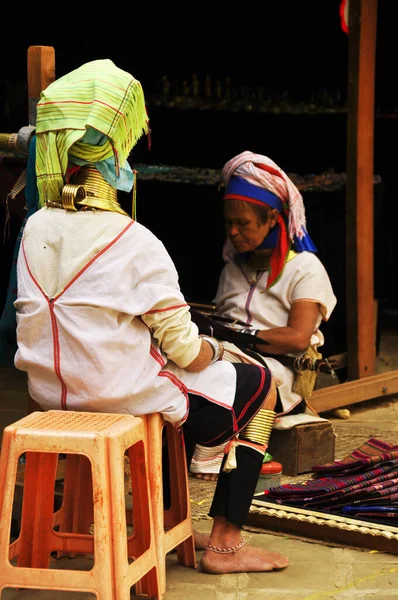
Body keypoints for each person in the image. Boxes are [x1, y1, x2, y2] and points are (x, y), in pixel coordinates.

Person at [13, 60, 288, 574]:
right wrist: (216, 350)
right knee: (260, 383)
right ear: (117, 155)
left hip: (48, 394)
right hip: (119, 396)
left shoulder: (35, 228)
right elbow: (184, 349)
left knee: (176, 377)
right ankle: (227, 543)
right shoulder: (134, 241)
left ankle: (163, 519)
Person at [190, 150, 337, 481]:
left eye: (243, 223)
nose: (234, 232)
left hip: (279, 377)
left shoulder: (305, 268)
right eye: (229, 223)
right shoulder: (232, 268)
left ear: (272, 218)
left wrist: (230, 337)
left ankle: (214, 446)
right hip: (231, 357)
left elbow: (298, 338)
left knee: (210, 357)